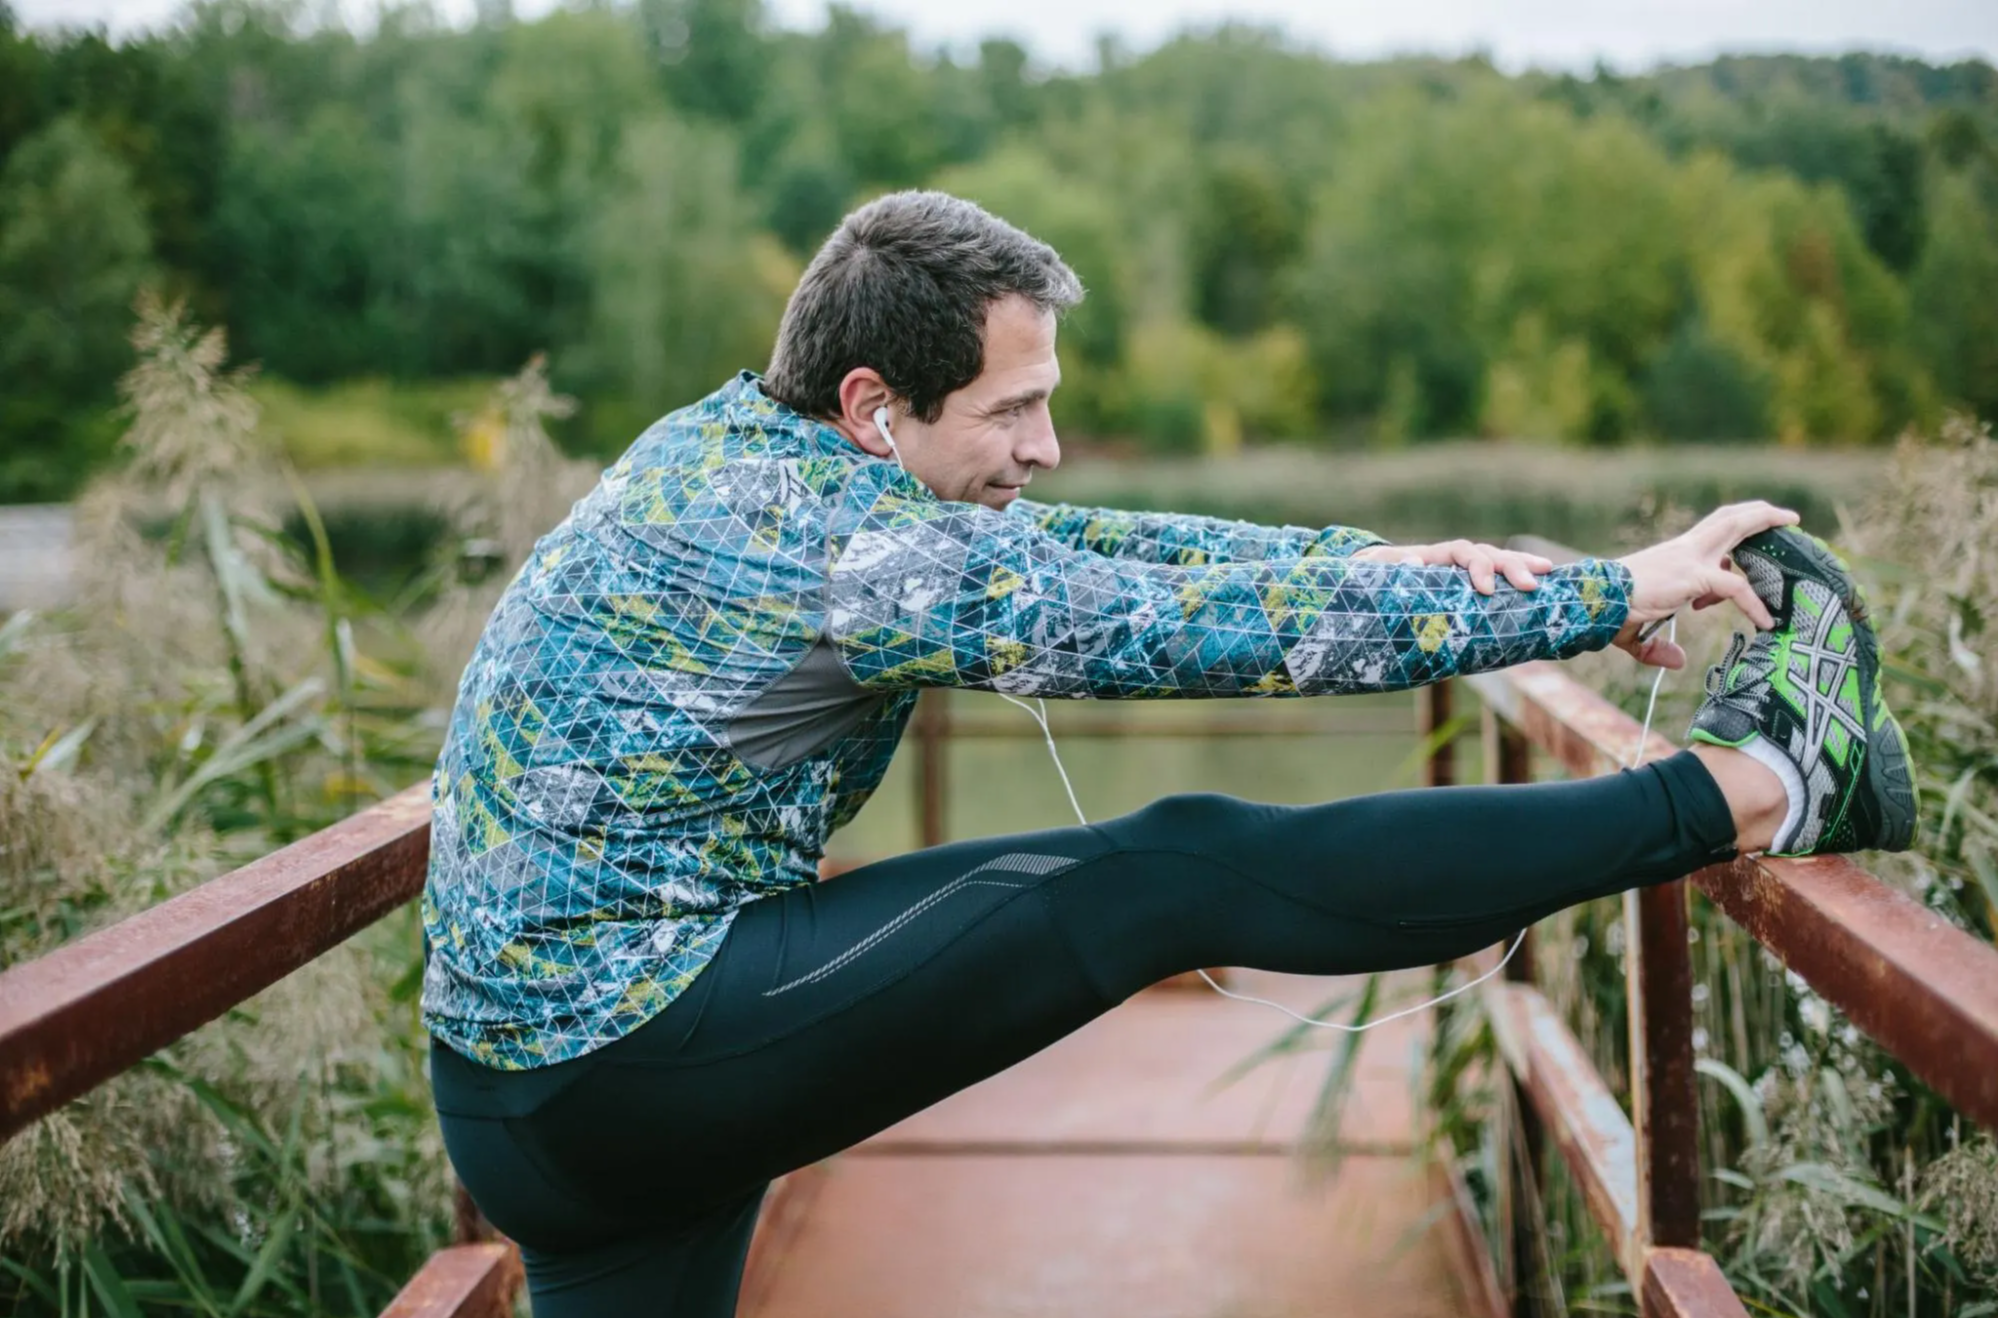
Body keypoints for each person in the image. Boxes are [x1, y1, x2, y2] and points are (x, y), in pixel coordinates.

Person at [419, 191, 1916, 1317]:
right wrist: (1608, 590)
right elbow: (1196, 631)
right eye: (1015, 407)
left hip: (523, 1098)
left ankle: (1760, 772)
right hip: (621, 1050)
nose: (1046, 444)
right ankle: (1770, 780)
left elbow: (1111, 544)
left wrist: (1423, 562)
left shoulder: (728, 448)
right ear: (875, 407)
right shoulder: (846, 543)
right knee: (1172, 867)